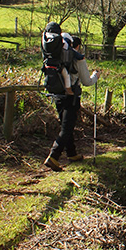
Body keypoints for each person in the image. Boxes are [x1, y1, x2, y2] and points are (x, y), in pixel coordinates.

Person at [44, 33, 100, 171]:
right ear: (77, 46)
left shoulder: (54, 56)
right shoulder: (78, 58)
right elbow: (87, 82)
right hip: (71, 97)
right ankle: (53, 156)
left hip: (57, 95)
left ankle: (72, 153)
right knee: (67, 127)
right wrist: (96, 76)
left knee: (66, 125)